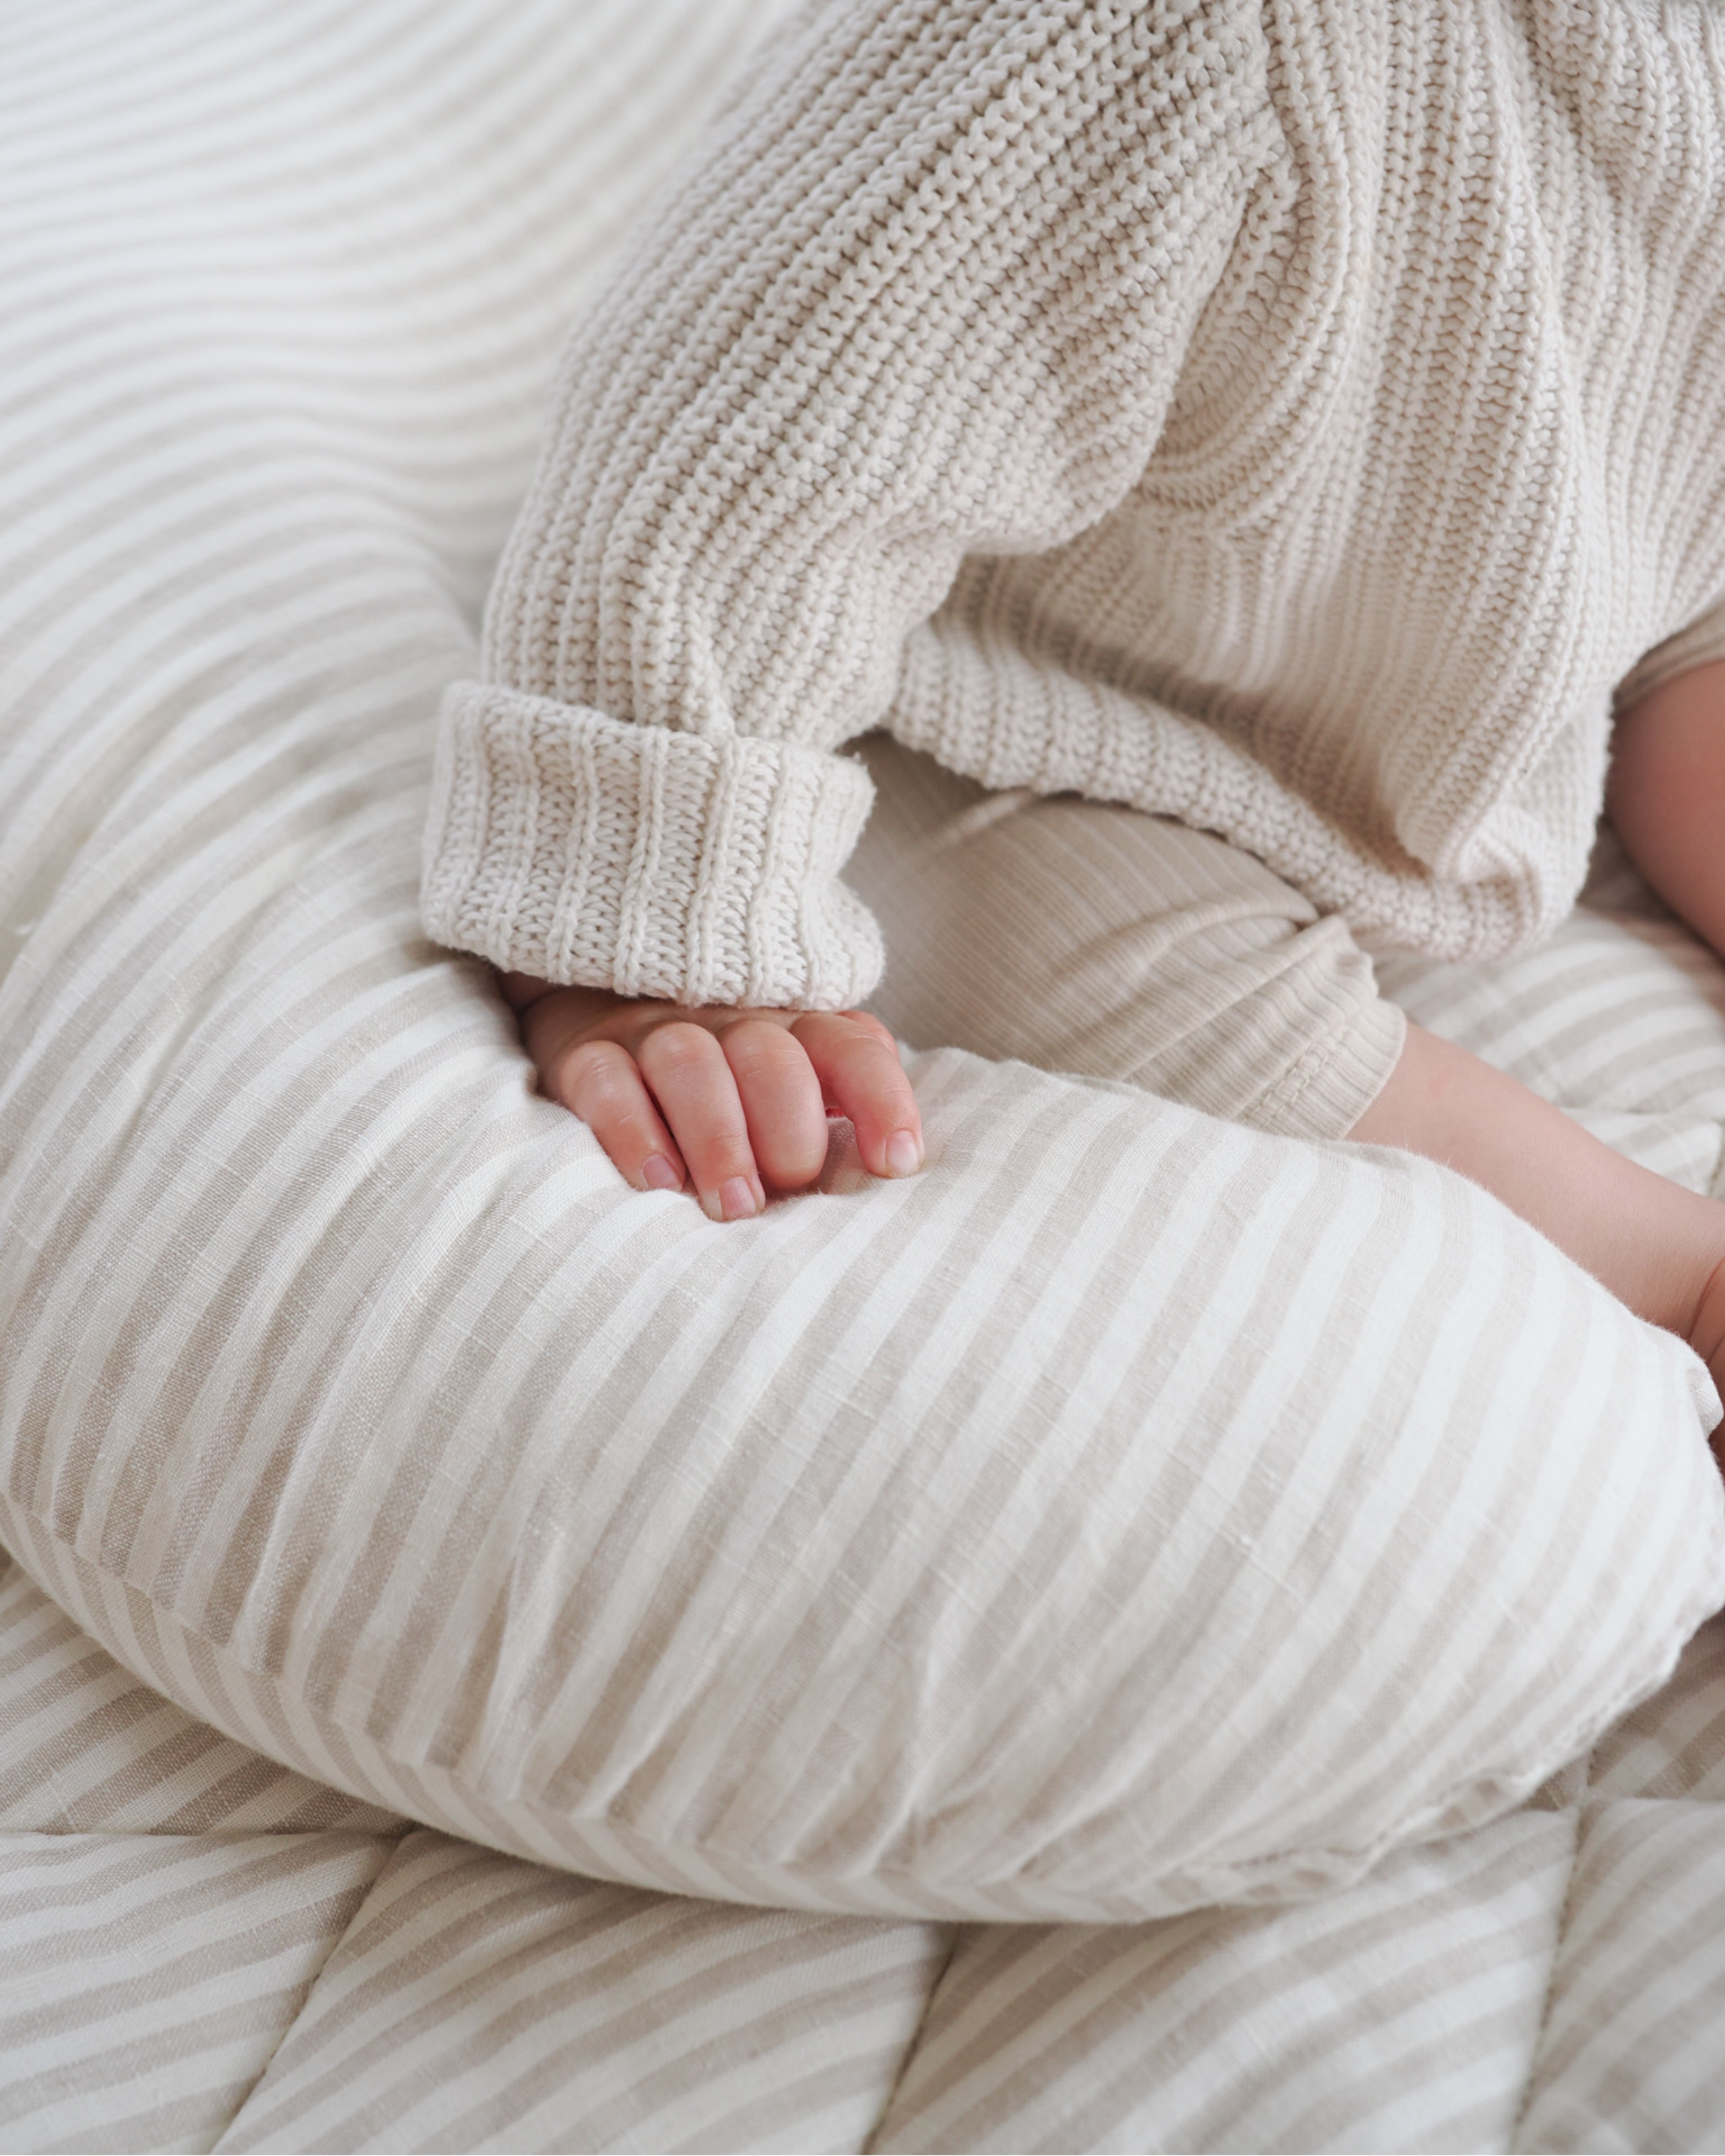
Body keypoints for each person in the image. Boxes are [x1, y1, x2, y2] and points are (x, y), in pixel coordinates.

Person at [420, 0, 1725, 1416]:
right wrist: (640, 929)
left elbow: (1671, 519)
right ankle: (1679, 1281)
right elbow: (759, 433)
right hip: (985, 695)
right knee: (1056, 942)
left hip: (1453, 669)